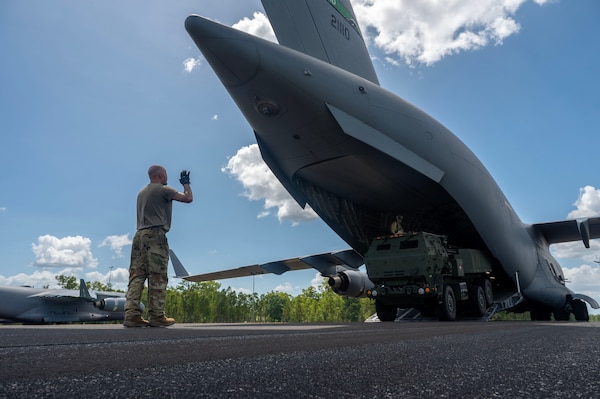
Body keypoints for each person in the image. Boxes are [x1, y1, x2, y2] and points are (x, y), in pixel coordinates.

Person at [123, 165, 193, 327]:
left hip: (139, 236)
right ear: (161, 176)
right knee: (157, 275)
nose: (167, 177)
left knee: (137, 276)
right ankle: (156, 316)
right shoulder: (163, 189)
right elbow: (188, 198)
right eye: (166, 175)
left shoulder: (141, 193)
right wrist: (186, 184)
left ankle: (131, 315)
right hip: (155, 235)